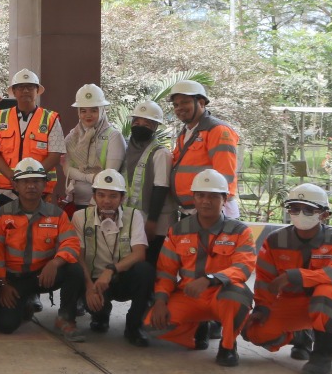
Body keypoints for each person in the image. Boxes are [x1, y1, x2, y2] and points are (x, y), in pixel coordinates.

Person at [243, 183, 332, 374]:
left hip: (326, 303)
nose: (300, 214)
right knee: (254, 333)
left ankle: (322, 357)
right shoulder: (275, 240)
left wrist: (294, 276)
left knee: (325, 293)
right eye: (295, 208)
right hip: (293, 302)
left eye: (308, 209)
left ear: (324, 214)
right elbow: (264, 279)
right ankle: (300, 335)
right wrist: (261, 307)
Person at [148, 168, 256, 367]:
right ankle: (198, 326)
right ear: (194, 199)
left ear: (224, 199)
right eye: (201, 195)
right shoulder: (178, 230)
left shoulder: (240, 231)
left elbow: (243, 266)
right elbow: (166, 271)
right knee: (151, 327)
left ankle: (228, 346)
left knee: (238, 297)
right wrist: (161, 301)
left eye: (213, 196)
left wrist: (210, 279)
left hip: (222, 294)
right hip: (189, 295)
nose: (206, 201)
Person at [0, 158, 85, 338]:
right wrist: (2, 284)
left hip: (44, 276)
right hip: (14, 280)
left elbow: (71, 244)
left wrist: (55, 263)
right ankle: (23, 303)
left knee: (74, 270)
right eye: (25, 181)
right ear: (15, 186)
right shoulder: (2, 214)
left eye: (36, 181)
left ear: (44, 185)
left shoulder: (57, 214)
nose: (31, 186)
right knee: (6, 326)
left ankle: (66, 318)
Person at [73, 168, 155, 347]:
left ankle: (134, 326)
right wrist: (88, 287)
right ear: (93, 196)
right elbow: (78, 256)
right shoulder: (80, 217)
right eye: (101, 195)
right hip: (95, 280)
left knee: (145, 271)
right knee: (96, 307)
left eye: (113, 196)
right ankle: (101, 315)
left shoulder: (134, 216)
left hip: (122, 276)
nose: (106, 201)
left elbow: (139, 253)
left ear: (122, 198)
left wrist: (111, 271)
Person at [0, 69, 65, 209]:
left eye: (30, 87)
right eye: (21, 87)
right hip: (6, 188)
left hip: (38, 189)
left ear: (37, 91)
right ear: (14, 91)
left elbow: (55, 155)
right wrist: (13, 177)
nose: (25, 91)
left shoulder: (51, 119)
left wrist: (30, 179)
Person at [169, 79, 242, 219]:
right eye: (176, 104)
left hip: (213, 212)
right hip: (192, 212)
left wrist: (213, 207)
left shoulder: (218, 130)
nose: (179, 108)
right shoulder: (186, 132)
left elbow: (225, 175)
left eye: (185, 102)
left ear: (201, 103)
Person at [59, 84, 126, 216]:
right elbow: (67, 170)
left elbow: (109, 177)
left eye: (94, 110)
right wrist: (90, 177)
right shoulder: (72, 137)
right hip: (75, 201)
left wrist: (93, 204)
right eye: (83, 111)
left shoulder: (113, 136)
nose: (88, 115)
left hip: (100, 205)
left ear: (102, 110)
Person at [121, 99, 175, 264]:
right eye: (136, 121)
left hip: (156, 223)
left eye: (146, 124)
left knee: (152, 266)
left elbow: (161, 188)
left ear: (155, 127)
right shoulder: (126, 149)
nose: (139, 126)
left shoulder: (160, 153)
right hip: (132, 220)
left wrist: (152, 222)